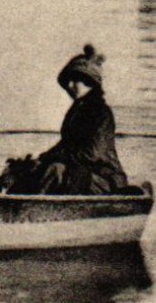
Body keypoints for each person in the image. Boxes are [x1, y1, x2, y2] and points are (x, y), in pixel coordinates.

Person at [32, 44, 130, 195]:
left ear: (89, 83)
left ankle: (32, 205)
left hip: (104, 178)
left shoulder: (101, 113)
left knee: (55, 169)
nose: (70, 86)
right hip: (80, 171)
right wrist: (40, 160)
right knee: (34, 168)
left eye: (75, 81)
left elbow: (93, 154)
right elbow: (65, 144)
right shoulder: (77, 110)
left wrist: (54, 158)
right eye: (69, 82)